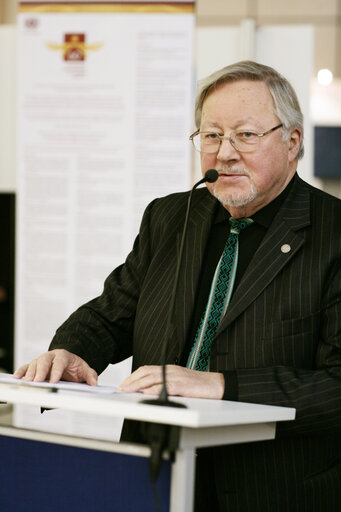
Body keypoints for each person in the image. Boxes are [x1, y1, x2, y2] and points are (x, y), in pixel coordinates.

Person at [14, 61, 341, 512]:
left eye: (245, 135)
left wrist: (224, 386)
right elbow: (113, 312)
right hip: (155, 478)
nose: (224, 153)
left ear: (292, 142)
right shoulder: (171, 217)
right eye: (211, 135)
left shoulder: (333, 233)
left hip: (273, 488)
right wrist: (72, 351)